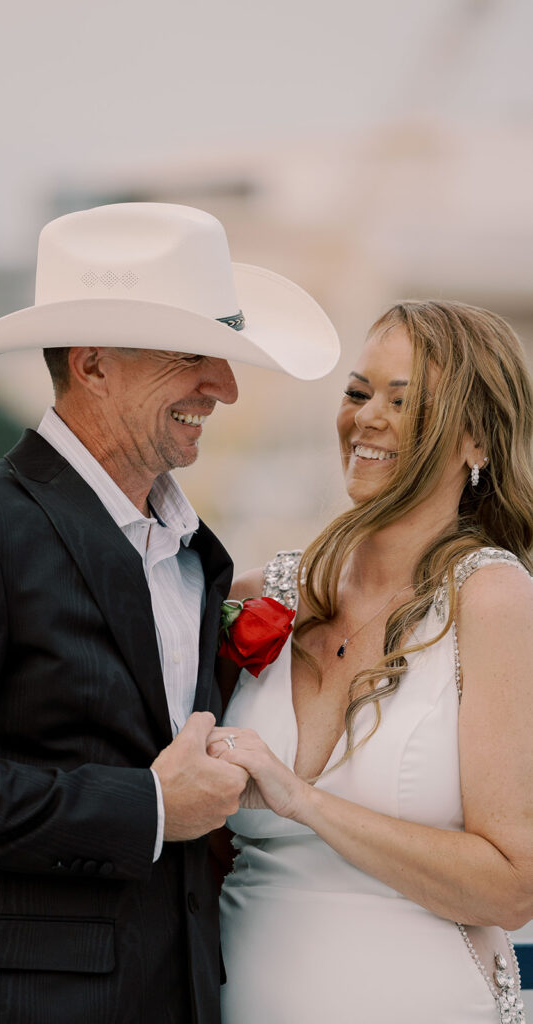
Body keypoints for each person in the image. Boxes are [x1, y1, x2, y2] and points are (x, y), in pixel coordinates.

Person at [0, 202, 339, 1024]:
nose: (224, 387)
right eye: (194, 356)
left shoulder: (197, 557)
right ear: (94, 365)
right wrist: (147, 808)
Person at [209, 299, 533, 1023]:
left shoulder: (491, 600)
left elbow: (512, 887)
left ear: (476, 441)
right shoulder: (258, 599)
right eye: (358, 393)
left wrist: (304, 802)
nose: (368, 418)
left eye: (404, 401)